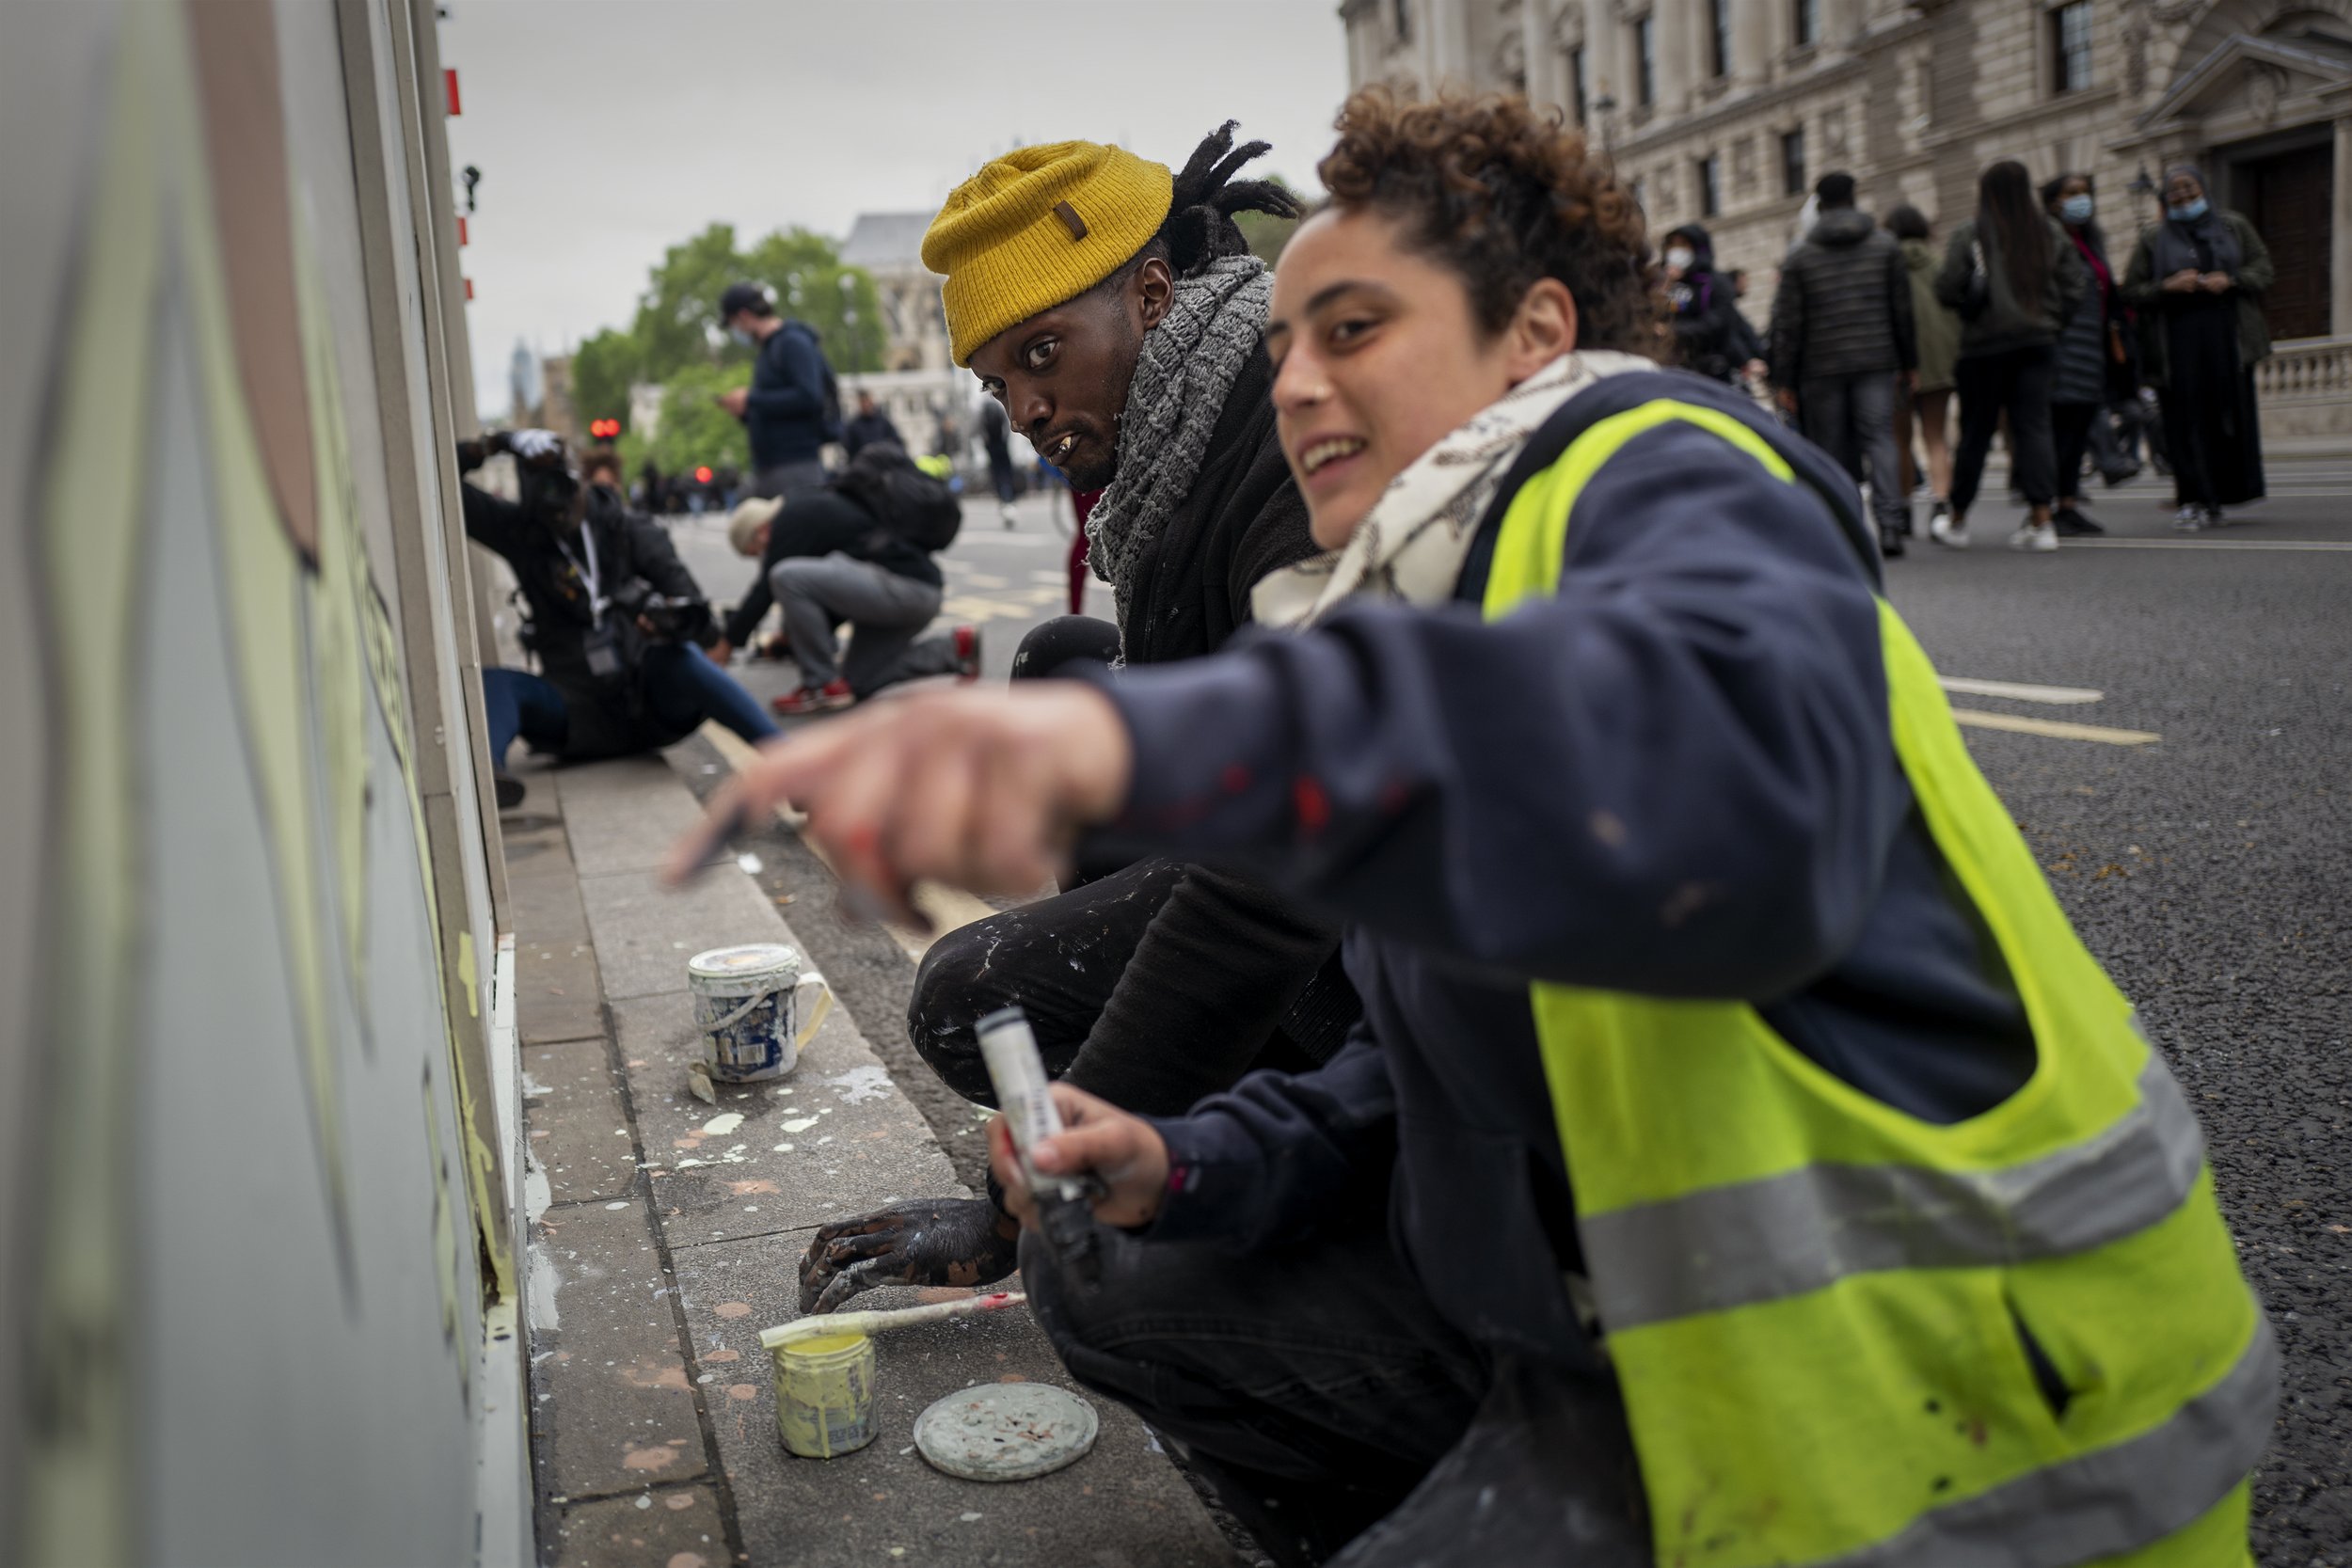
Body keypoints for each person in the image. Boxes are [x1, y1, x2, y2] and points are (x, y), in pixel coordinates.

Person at [683, 89, 2275, 1568]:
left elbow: (1742, 809)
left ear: (1538, 333)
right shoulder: (1434, 580)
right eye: (1291, 335)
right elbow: (1427, 1038)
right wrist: (1192, 1155)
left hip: (2006, 1452)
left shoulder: (1664, 468)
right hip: (1671, 1386)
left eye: (1356, 328)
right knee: (1110, 1270)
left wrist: (1128, 739)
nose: (1294, 376)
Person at [791, 123, 1349, 1316]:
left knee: (960, 997)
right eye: (999, 385)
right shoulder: (1180, 410)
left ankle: (1226, 1151)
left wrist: (1014, 1207)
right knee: (1056, 660)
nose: (1027, 410)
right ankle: (1165, 1097)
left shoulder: (1282, 431)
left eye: (1045, 355)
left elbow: (1281, 857)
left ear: (1151, 295)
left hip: (1352, 930)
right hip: (1257, 801)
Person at [458, 429, 775, 807]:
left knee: (682, 659)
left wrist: (666, 622)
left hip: (646, 698)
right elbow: (442, 486)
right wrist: (495, 444)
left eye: (561, 486)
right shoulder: (523, 535)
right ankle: (490, 777)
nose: (556, 507)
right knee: (493, 683)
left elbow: (700, 621)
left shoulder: (624, 528)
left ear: (580, 480)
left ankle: (792, 764)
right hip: (575, 712)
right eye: (541, 491)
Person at [712, 445, 981, 713]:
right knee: (856, 683)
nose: (761, 559)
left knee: (785, 576)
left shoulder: (789, 517)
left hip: (903, 587)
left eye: (755, 553)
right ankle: (954, 650)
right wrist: (790, 638)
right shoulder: (813, 505)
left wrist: (725, 645)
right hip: (916, 591)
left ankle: (820, 685)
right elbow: (835, 594)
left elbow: (764, 592)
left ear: (759, 532)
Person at [1933, 160, 2088, 552]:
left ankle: (1958, 519)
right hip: (2037, 342)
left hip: (1984, 345)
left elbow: (1947, 287)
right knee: (2034, 428)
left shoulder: (1971, 234)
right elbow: (2075, 286)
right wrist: (2052, 322)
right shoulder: (2048, 232)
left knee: (1976, 433)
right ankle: (2042, 520)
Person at [1769, 171, 1917, 557]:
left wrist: (1783, 378)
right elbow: (1902, 310)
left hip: (1821, 365)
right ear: (1854, 198)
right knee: (1880, 437)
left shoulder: (1801, 255)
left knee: (1830, 447)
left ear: (1818, 203)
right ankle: (1890, 524)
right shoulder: (1885, 247)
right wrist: (1909, 361)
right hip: (1876, 358)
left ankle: (1843, 527)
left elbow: (1788, 322)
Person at [2123, 164, 2273, 531]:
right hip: (2176, 345)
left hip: (2228, 338)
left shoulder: (2232, 226)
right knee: (2184, 422)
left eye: (2189, 188)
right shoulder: (2153, 238)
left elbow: (2264, 269)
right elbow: (2130, 290)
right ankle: (2192, 497)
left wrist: (2232, 280)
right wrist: (2166, 286)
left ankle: (2224, 494)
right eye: (2174, 191)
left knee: (2226, 417)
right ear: (2164, 197)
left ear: (2204, 188)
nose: (2183, 196)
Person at [2041, 173, 2132, 536]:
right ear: (2052, 202)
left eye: (2085, 193)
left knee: (2078, 428)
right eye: (2072, 193)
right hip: (2061, 344)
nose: (2082, 199)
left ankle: (2068, 505)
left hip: (2092, 345)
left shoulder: (2092, 242)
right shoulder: (2047, 239)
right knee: (2058, 428)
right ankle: (2044, 507)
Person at [716, 280, 840, 500]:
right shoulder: (769, 349)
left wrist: (751, 399)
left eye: (734, 323)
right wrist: (745, 411)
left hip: (795, 464)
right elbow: (776, 406)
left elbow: (809, 397)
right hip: (775, 466)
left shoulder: (792, 342)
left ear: (744, 316)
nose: (737, 331)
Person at [1887, 204, 1960, 529]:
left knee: (1900, 439)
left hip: (1897, 363)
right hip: (1939, 360)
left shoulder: (1886, 265)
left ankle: (1903, 507)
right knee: (1936, 436)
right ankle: (1941, 500)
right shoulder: (1938, 263)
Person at [1661, 223, 1763, 387]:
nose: (1676, 251)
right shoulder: (1665, 284)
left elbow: (1721, 324)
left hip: (1713, 369)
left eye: (1683, 245)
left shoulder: (1715, 284)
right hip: (1674, 368)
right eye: (1672, 245)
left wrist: (1674, 331)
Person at [977, 396, 1020, 527]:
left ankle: (1003, 498)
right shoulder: (998, 409)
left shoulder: (983, 412)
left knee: (997, 474)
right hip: (1002, 446)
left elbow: (979, 429)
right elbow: (1007, 426)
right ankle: (1008, 497)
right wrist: (1004, 441)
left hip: (992, 448)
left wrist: (986, 443)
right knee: (1006, 473)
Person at [841, 388, 903, 459]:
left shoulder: (883, 422)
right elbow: (848, 446)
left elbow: (896, 441)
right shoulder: (853, 426)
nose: (866, 405)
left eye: (867, 401)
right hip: (863, 462)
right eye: (863, 402)